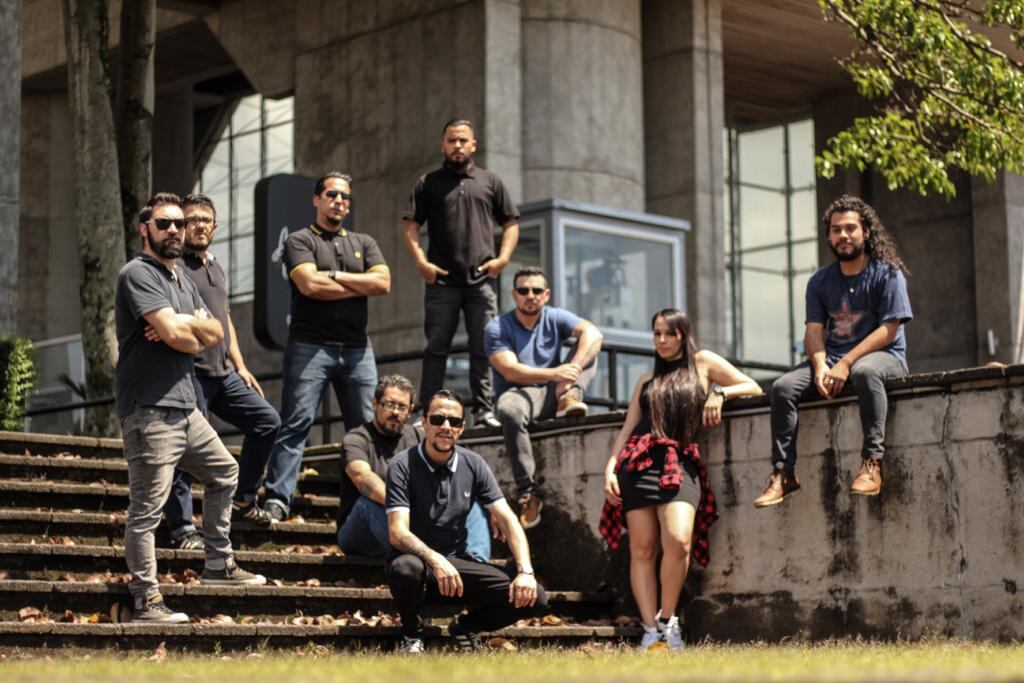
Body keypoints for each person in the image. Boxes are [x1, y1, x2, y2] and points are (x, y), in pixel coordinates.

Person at [116, 192, 265, 624]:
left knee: (225, 472)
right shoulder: (137, 273)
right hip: (150, 408)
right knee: (147, 510)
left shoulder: (182, 278)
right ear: (144, 229)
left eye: (179, 224)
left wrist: (182, 326)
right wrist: (181, 329)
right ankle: (146, 600)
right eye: (164, 224)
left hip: (185, 406)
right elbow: (180, 336)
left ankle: (218, 564)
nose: (174, 230)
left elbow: (215, 331)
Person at [601, 309, 762, 651]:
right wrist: (611, 467)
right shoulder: (646, 381)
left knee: (678, 540)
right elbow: (628, 428)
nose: (661, 340)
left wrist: (719, 394)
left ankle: (667, 619)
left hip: (680, 463)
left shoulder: (702, 363)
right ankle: (650, 631)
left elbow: (752, 385)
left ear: (682, 335)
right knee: (642, 549)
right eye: (656, 333)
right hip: (637, 465)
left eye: (669, 334)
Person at [753, 195, 912, 507]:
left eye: (850, 228)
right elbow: (813, 331)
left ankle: (872, 463)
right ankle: (783, 473)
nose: (843, 235)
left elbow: (889, 330)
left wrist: (847, 363)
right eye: (836, 229)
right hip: (834, 360)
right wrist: (821, 366)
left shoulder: (888, 273)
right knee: (783, 387)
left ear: (866, 231)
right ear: (828, 236)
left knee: (865, 372)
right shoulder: (820, 281)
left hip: (886, 357)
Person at [262, 172, 391, 522]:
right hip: (310, 346)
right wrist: (359, 284)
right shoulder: (299, 240)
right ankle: (278, 500)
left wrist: (332, 276)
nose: (339, 201)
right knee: (296, 423)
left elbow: (383, 283)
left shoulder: (364, 241)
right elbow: (309, 285)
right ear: (316, 199)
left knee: (367, 429)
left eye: (345, 197)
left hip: (357, 348)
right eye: (332, 194)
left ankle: (366, 502)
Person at [385, 389, 547, 654]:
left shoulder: (473, 463)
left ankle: (465, 627)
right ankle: (412, 636)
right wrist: (436, 560)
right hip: (417, 566)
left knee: (535, 597)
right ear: (424, 423)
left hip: (457, 568)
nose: (446, 426)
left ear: (462, 428)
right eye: (437, 419)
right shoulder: (402, 465)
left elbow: (509, 521)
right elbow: (397, 532)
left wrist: (525, 572)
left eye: (454, 421)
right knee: (405, 568)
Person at [163, 194, 282, 550]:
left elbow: (224, 318)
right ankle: (182, 528)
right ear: (182, 225)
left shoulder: (215, 266)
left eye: (206, 219)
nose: (199, 225)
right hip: (190, 373)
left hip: (224, 373)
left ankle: (244, 501)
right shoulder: (173, 266)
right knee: (186, 446)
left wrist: (241, 365)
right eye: (192, 219)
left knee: (267, 421)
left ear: (215, 226)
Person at [402, 118, 520, 428]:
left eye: (463, 140)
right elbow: (411, 226)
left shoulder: (490, 181)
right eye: (452, 140)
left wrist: (503, 259)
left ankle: (484, 411)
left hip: (481, 282)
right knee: (436, 348)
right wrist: (421, 263)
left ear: (473, 145)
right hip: (441, 281)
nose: (457, 145)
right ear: (442, 145)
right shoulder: (427, 183)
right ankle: (426, 413)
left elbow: (510, 223)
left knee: (484, 347)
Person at [485, 266, 604, 528]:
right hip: (520, 393)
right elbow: (511, 371)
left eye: (536, 290)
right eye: (523, 290)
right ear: (514, 294)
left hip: (555, 390)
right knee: (509, 409)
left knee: (589, 348)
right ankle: (529, 492)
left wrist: (569, 375)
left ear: (546, 294)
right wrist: (555, 374)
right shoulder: (497, 327)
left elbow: (594, 334)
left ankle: (570, 396)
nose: (530, 295)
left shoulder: (554, 316)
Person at [338, 374, 492, 561]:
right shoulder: (357, 439)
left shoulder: (418, 437)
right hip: (360, 531)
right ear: (374, 404)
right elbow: (363, 478)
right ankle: (426, 559)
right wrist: (405, 505)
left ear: (411, 410)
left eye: (402, 407)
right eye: (389, 404)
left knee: (470, 500)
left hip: (412, 522)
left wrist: (492, 508)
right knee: (369, 503)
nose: (395, 412)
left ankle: (476, 562)